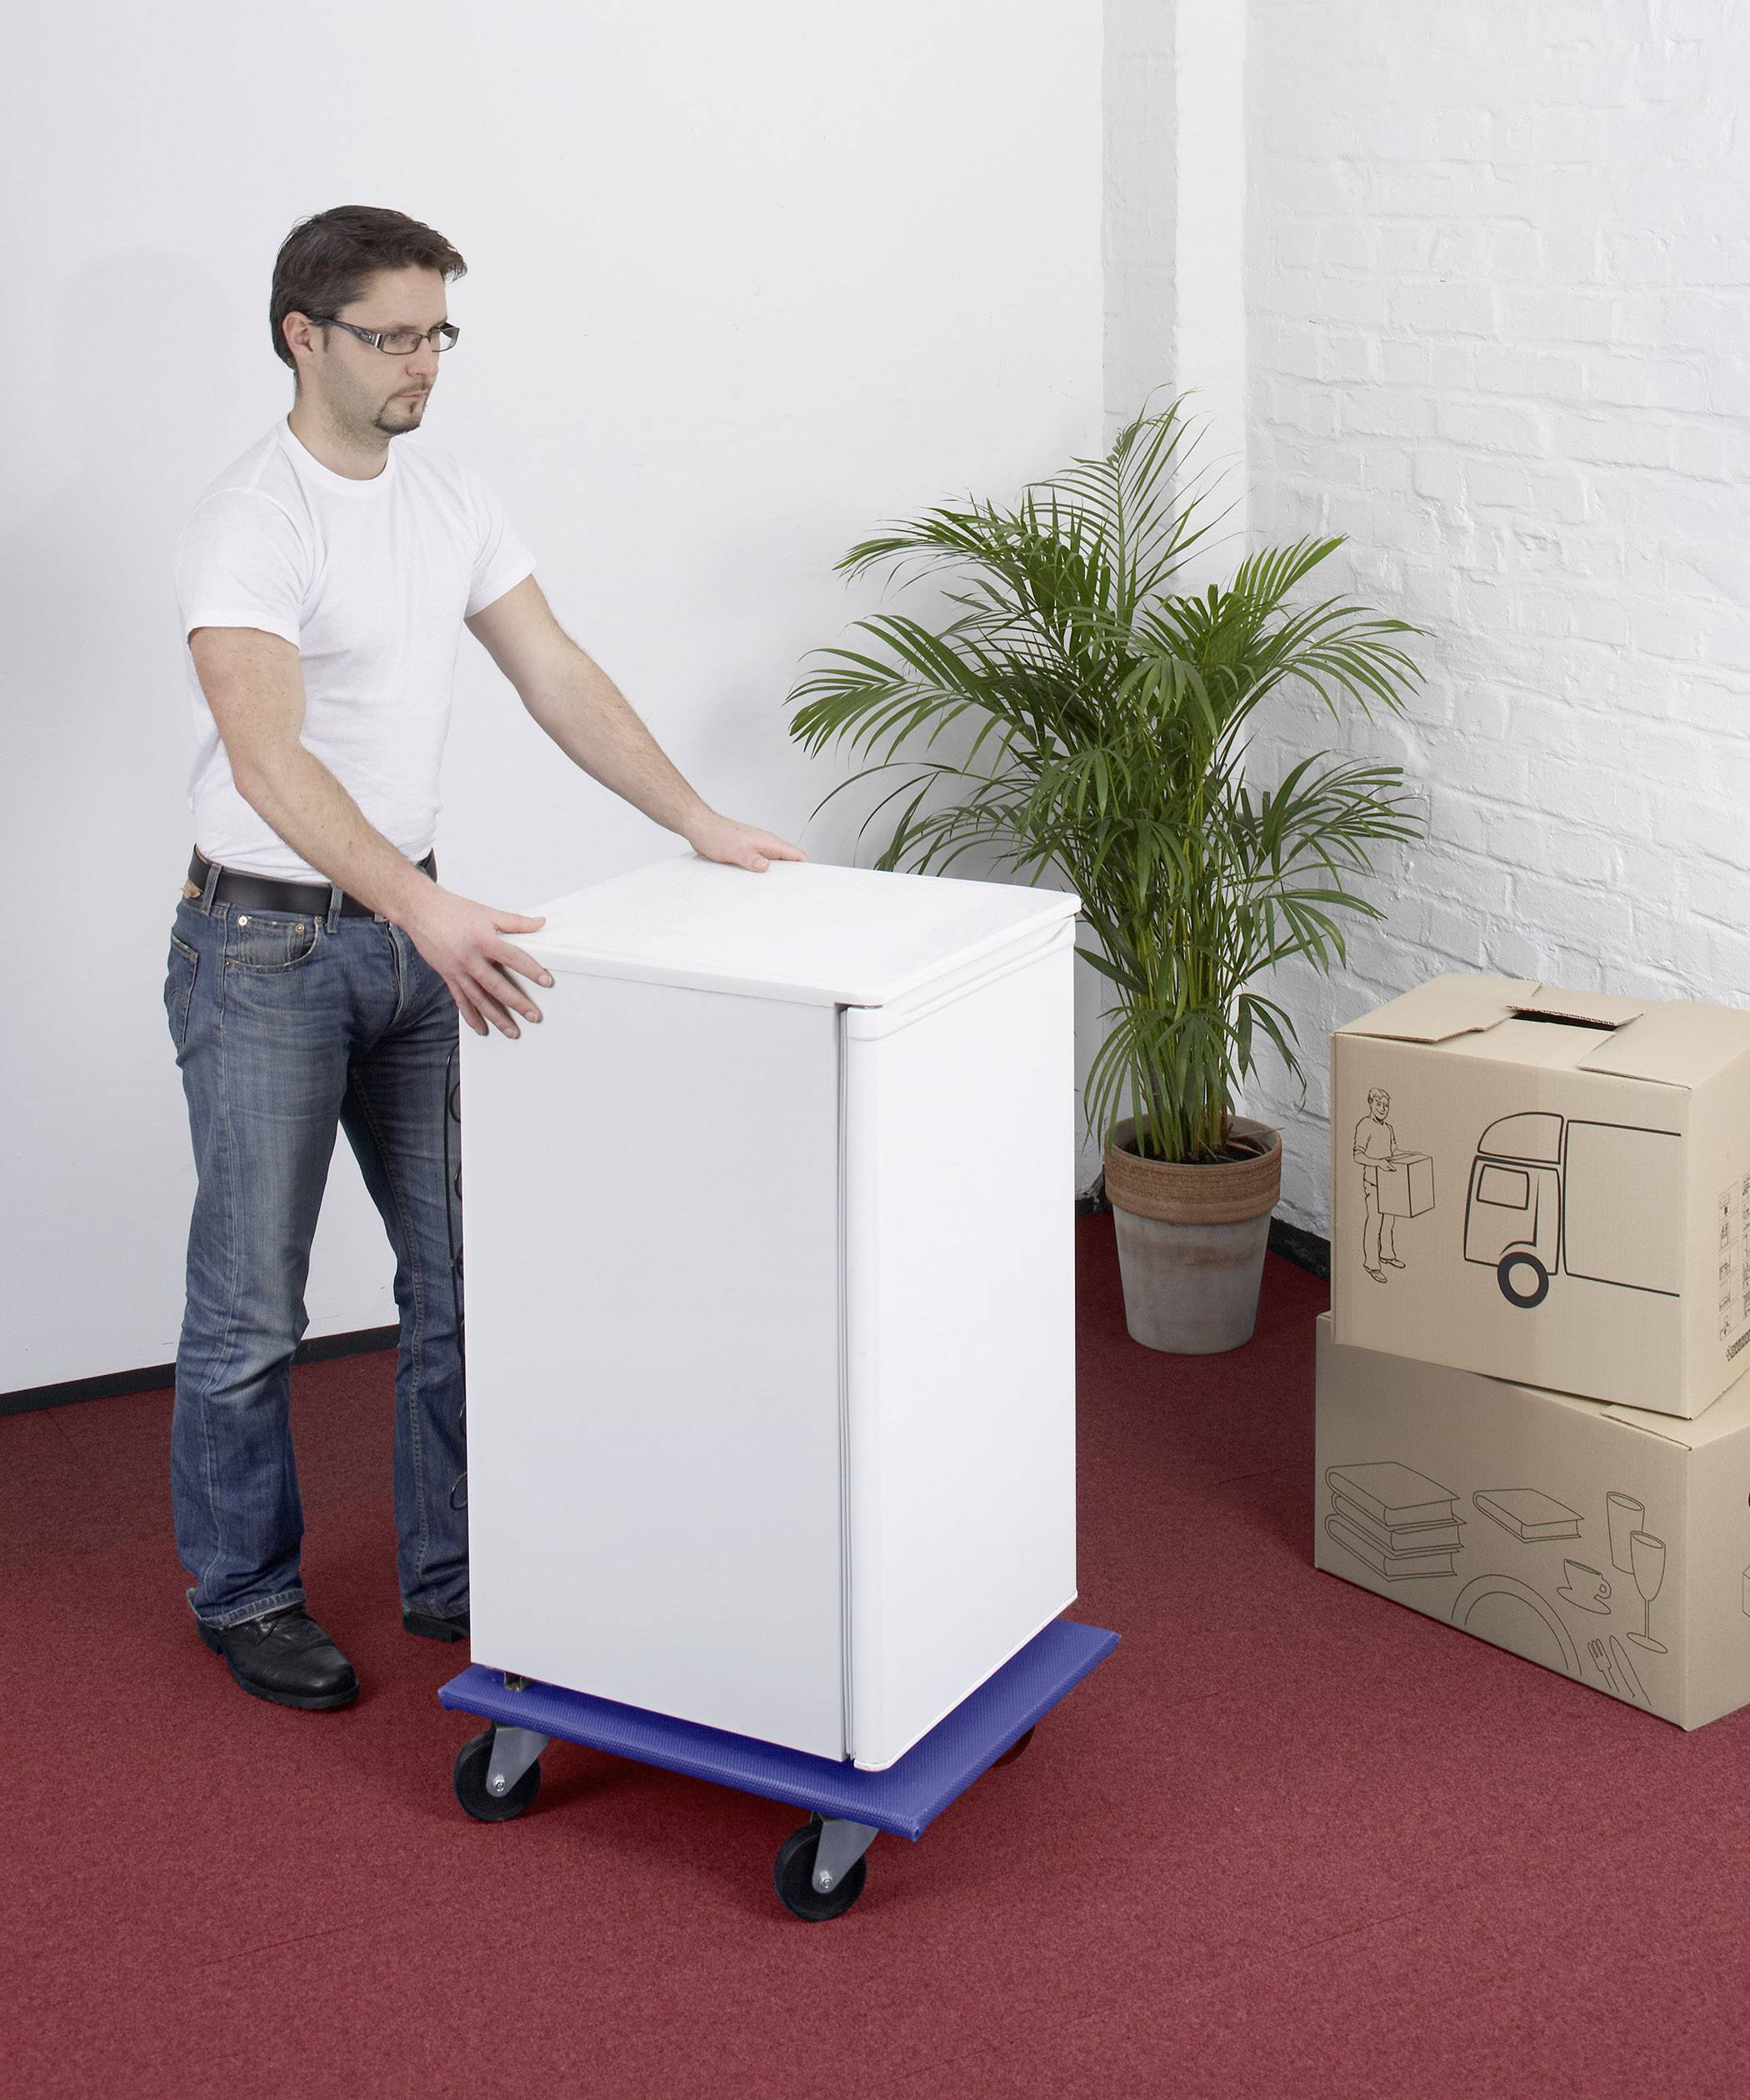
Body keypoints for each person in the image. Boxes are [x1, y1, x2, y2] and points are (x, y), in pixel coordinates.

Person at [166, 203, 803, 1712]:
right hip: (265, 945)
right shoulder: (251, 516)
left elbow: (556, 673)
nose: (423, 364)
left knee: (465, 1281)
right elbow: (268, 760)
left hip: (415, 941)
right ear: (300, 336)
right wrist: (419, 908)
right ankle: (244, 1592)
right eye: (392, 335)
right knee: (254, 1306)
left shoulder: (448, 498)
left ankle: (454, 1570)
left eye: (439, 333)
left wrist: (698, 818)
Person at [1353, 1086, 1402, 1285]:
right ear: (1371, 1104)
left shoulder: (1388, 1128)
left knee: (1389, 1220)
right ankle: (1372, 1263)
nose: (1383, 1108)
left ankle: (1387, 1254)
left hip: (1389, 1181)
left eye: (1386, 1105)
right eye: (1379, 1104)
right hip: (1373, 1181)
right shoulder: (1365, 1126)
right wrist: (1379, 1162)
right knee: (1375, 1221)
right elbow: (1358, 1155)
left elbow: (1394, 1150)